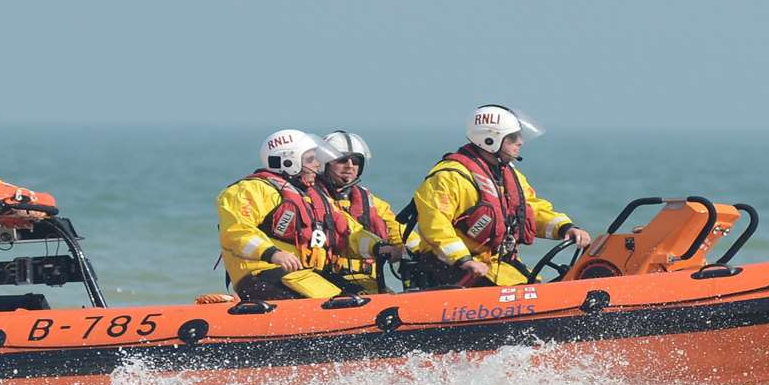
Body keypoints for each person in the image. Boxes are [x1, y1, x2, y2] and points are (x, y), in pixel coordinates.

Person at [406, 105, 590, 287]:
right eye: (512, 137)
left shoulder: (508, 175)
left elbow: (531, 210)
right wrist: (464, 260)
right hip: (453, 270)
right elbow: (434, 224)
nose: (520, 142)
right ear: (489, 140)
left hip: (498, 267)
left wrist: (566, 228)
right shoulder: (449, 177)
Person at [216, 128, 396, 301]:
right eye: (310, 160)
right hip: (262, 273)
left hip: (303, 273)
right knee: (341, 304)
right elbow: (236, 232)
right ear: (289, 161)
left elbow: (346, 231)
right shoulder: (251, 190)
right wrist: (272, 254)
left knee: (364, 296)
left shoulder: (312, 196)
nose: (317, 165)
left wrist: (377, 247)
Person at [318, 129, 408, 295]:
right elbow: (348, 232)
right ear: (325, 162)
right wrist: (379, 247)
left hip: (367, 279)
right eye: (342, 160)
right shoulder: (314, 199)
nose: (350, 165)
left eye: (355, 160)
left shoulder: (367, 199)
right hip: (328, 278)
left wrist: (416, 248)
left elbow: (395, 227)